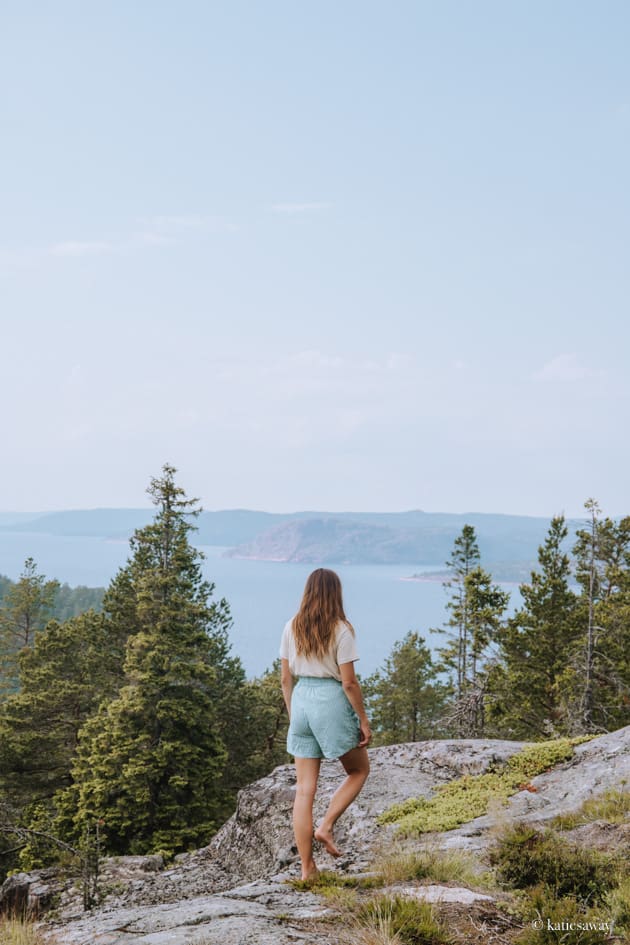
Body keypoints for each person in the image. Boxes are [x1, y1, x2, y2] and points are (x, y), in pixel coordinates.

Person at [280, 567, 372, 881]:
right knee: (359, 770)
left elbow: (284, 679)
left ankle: (308, 870)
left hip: (302, 701)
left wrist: (295, 716)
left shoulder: (291, 626)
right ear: (336, 593)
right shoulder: (342, 629)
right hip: (330, 701)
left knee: (304, 790)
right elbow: (349, 683)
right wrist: (362, 718)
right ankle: (326, 825)